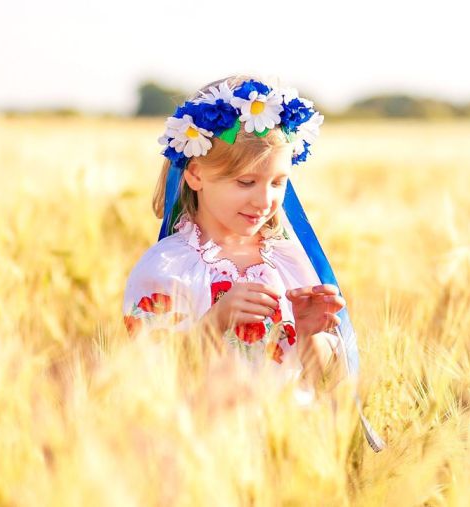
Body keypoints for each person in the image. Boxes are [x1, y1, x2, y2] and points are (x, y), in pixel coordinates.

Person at [122, 75, 384, 450]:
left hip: (289, 448)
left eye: (278, 182)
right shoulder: (167, 268)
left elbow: (313, 377)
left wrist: (312, 334)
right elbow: (148, 374)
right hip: (203, 451)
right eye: (246, 182)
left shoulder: (289, 261)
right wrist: (215, 322)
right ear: (195, 173)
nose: (264, 200)